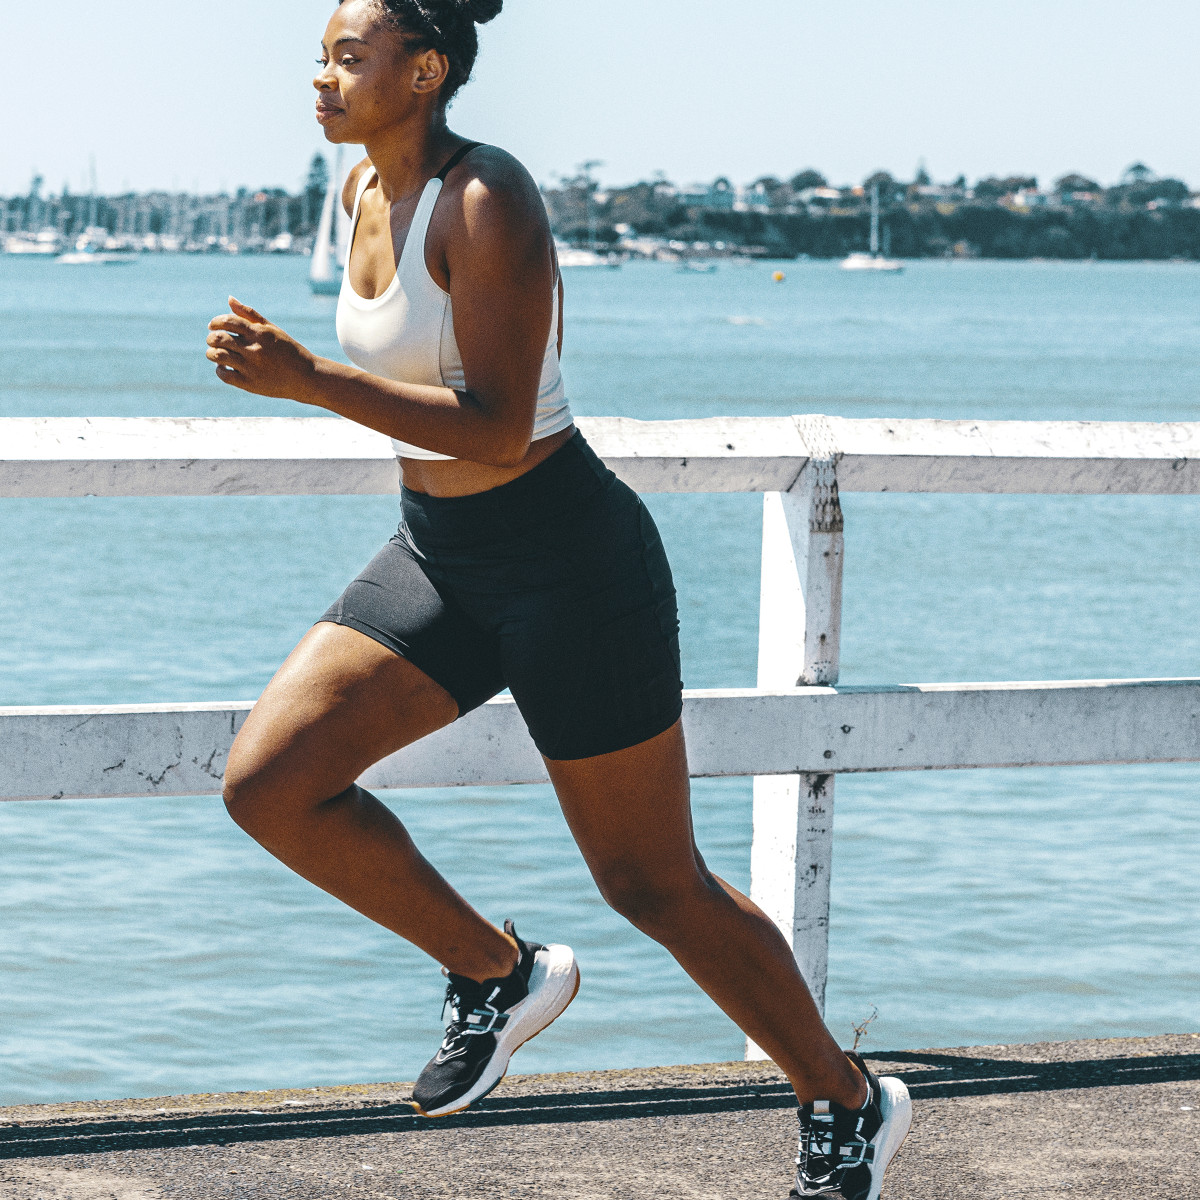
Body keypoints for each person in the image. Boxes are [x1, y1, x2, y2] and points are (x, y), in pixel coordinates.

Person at [204, 1, 911, 1194]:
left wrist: (307, 379)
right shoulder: (360, 195)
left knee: (650, 881)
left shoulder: (489, 201)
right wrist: (311, 380)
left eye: (348, 57)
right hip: (440, 553)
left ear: (423, 72)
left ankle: (847, 1099)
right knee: (271, 783)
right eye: (321, 54)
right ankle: (496, 974)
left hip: (569, 562)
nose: (319, 77)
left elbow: (493, 422)